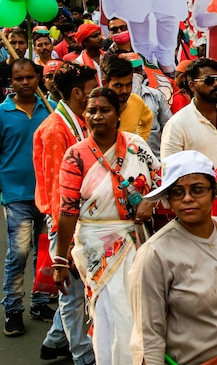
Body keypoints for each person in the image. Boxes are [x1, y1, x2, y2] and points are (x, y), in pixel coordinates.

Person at [54, 87, 160, 365]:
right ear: (84, 114)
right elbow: (67, 211)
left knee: (138, 310)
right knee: (110, 313)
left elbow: (161, 181)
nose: (97, 116)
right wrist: (59, 260)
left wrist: (149, 201)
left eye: (104, 110)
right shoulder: (74, 156)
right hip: (96, 246)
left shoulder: (137, 146)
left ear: (119, 113)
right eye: (92, 111)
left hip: (136, 240)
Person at [129, 150, 217, 365]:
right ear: (168, 200)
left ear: (214, 191)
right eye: (177, 192)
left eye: (197, 190)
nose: (188, 199)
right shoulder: (155, 254)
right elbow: (148, 336)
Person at [33, 63, 98, 362]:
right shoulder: (55, 130)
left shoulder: (78, 120)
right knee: (71, 294)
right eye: (91, 90)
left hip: (79, 218)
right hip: (65, 220)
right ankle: (82, 356)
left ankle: (55, 339)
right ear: (76, 93)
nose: (97, 95)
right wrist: (66, 243)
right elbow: (57, 192)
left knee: (76, 288)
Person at [1, 59, 54, 336]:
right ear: (12, 80)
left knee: (45, 254)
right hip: (16, 194)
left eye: (29, 77)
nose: (24, 82)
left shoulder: (51, 109)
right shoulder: (2, 113)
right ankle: (12, 309)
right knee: (19, 253)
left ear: (38, 78)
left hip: (47, 193)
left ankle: (41, 301)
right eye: (18, 78)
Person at [161, 58, 217, 164]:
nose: (216, 84)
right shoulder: (177, 123)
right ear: (192, 86)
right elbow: (169, 170)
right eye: (209, 80)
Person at [101, 55, 153, 141]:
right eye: (118, 85)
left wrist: (140, 143)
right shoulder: (94, 107)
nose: (124, 91)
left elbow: (147, 121)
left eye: (128, 85)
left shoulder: (137, 102)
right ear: (105, 84)